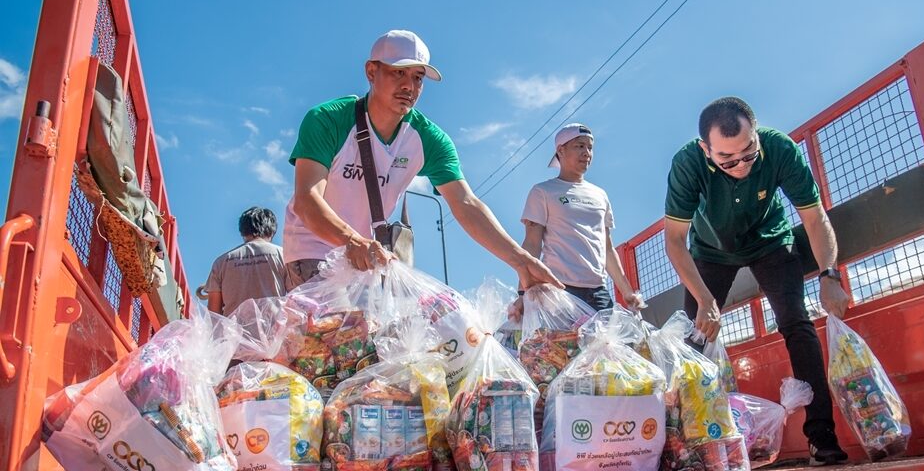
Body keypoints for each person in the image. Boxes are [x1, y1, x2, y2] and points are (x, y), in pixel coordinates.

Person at [283, 29, 559, 291]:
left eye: (417, 77)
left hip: (368, 259)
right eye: (398, 72)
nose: (408, 86)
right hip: (314, 249)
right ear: (371, 71)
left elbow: (466, 203)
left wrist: (521, 260)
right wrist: (352, 240)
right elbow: (307, 200)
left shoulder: (428, 138)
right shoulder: (328, 119)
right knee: (329, 335)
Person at [663, 96, 852, 466]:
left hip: (770, 242)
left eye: (748, 153)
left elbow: (814, 218)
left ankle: (822, 436)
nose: (740, 165)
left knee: (796, 321)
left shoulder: (781, 148)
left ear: (757, 134)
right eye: (727, 159)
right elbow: (673, 241)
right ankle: (690, 446)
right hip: (711, 251)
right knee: (694, 340)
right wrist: (704, 299)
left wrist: (830, 273)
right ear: (706, 150)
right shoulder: (687, 163)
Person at [518, 123, 642, 311]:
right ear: (561, 150)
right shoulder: (542, 192)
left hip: (598, 292)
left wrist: (627, 292)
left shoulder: (600, 195)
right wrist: (522, 293)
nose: (587, 153)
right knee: (562, 342)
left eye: (590, 147)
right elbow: (532, 244)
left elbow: (607, 248)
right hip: (559, 290)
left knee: (610, 341)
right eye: (579, 146)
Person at [205, 207, 287, 315]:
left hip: (234, 331)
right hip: (275, 330)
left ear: (242, 231)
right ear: (272, 230)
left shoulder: (221, 262)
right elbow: (297, 298)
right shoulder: (283, 255)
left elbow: (214, 314)